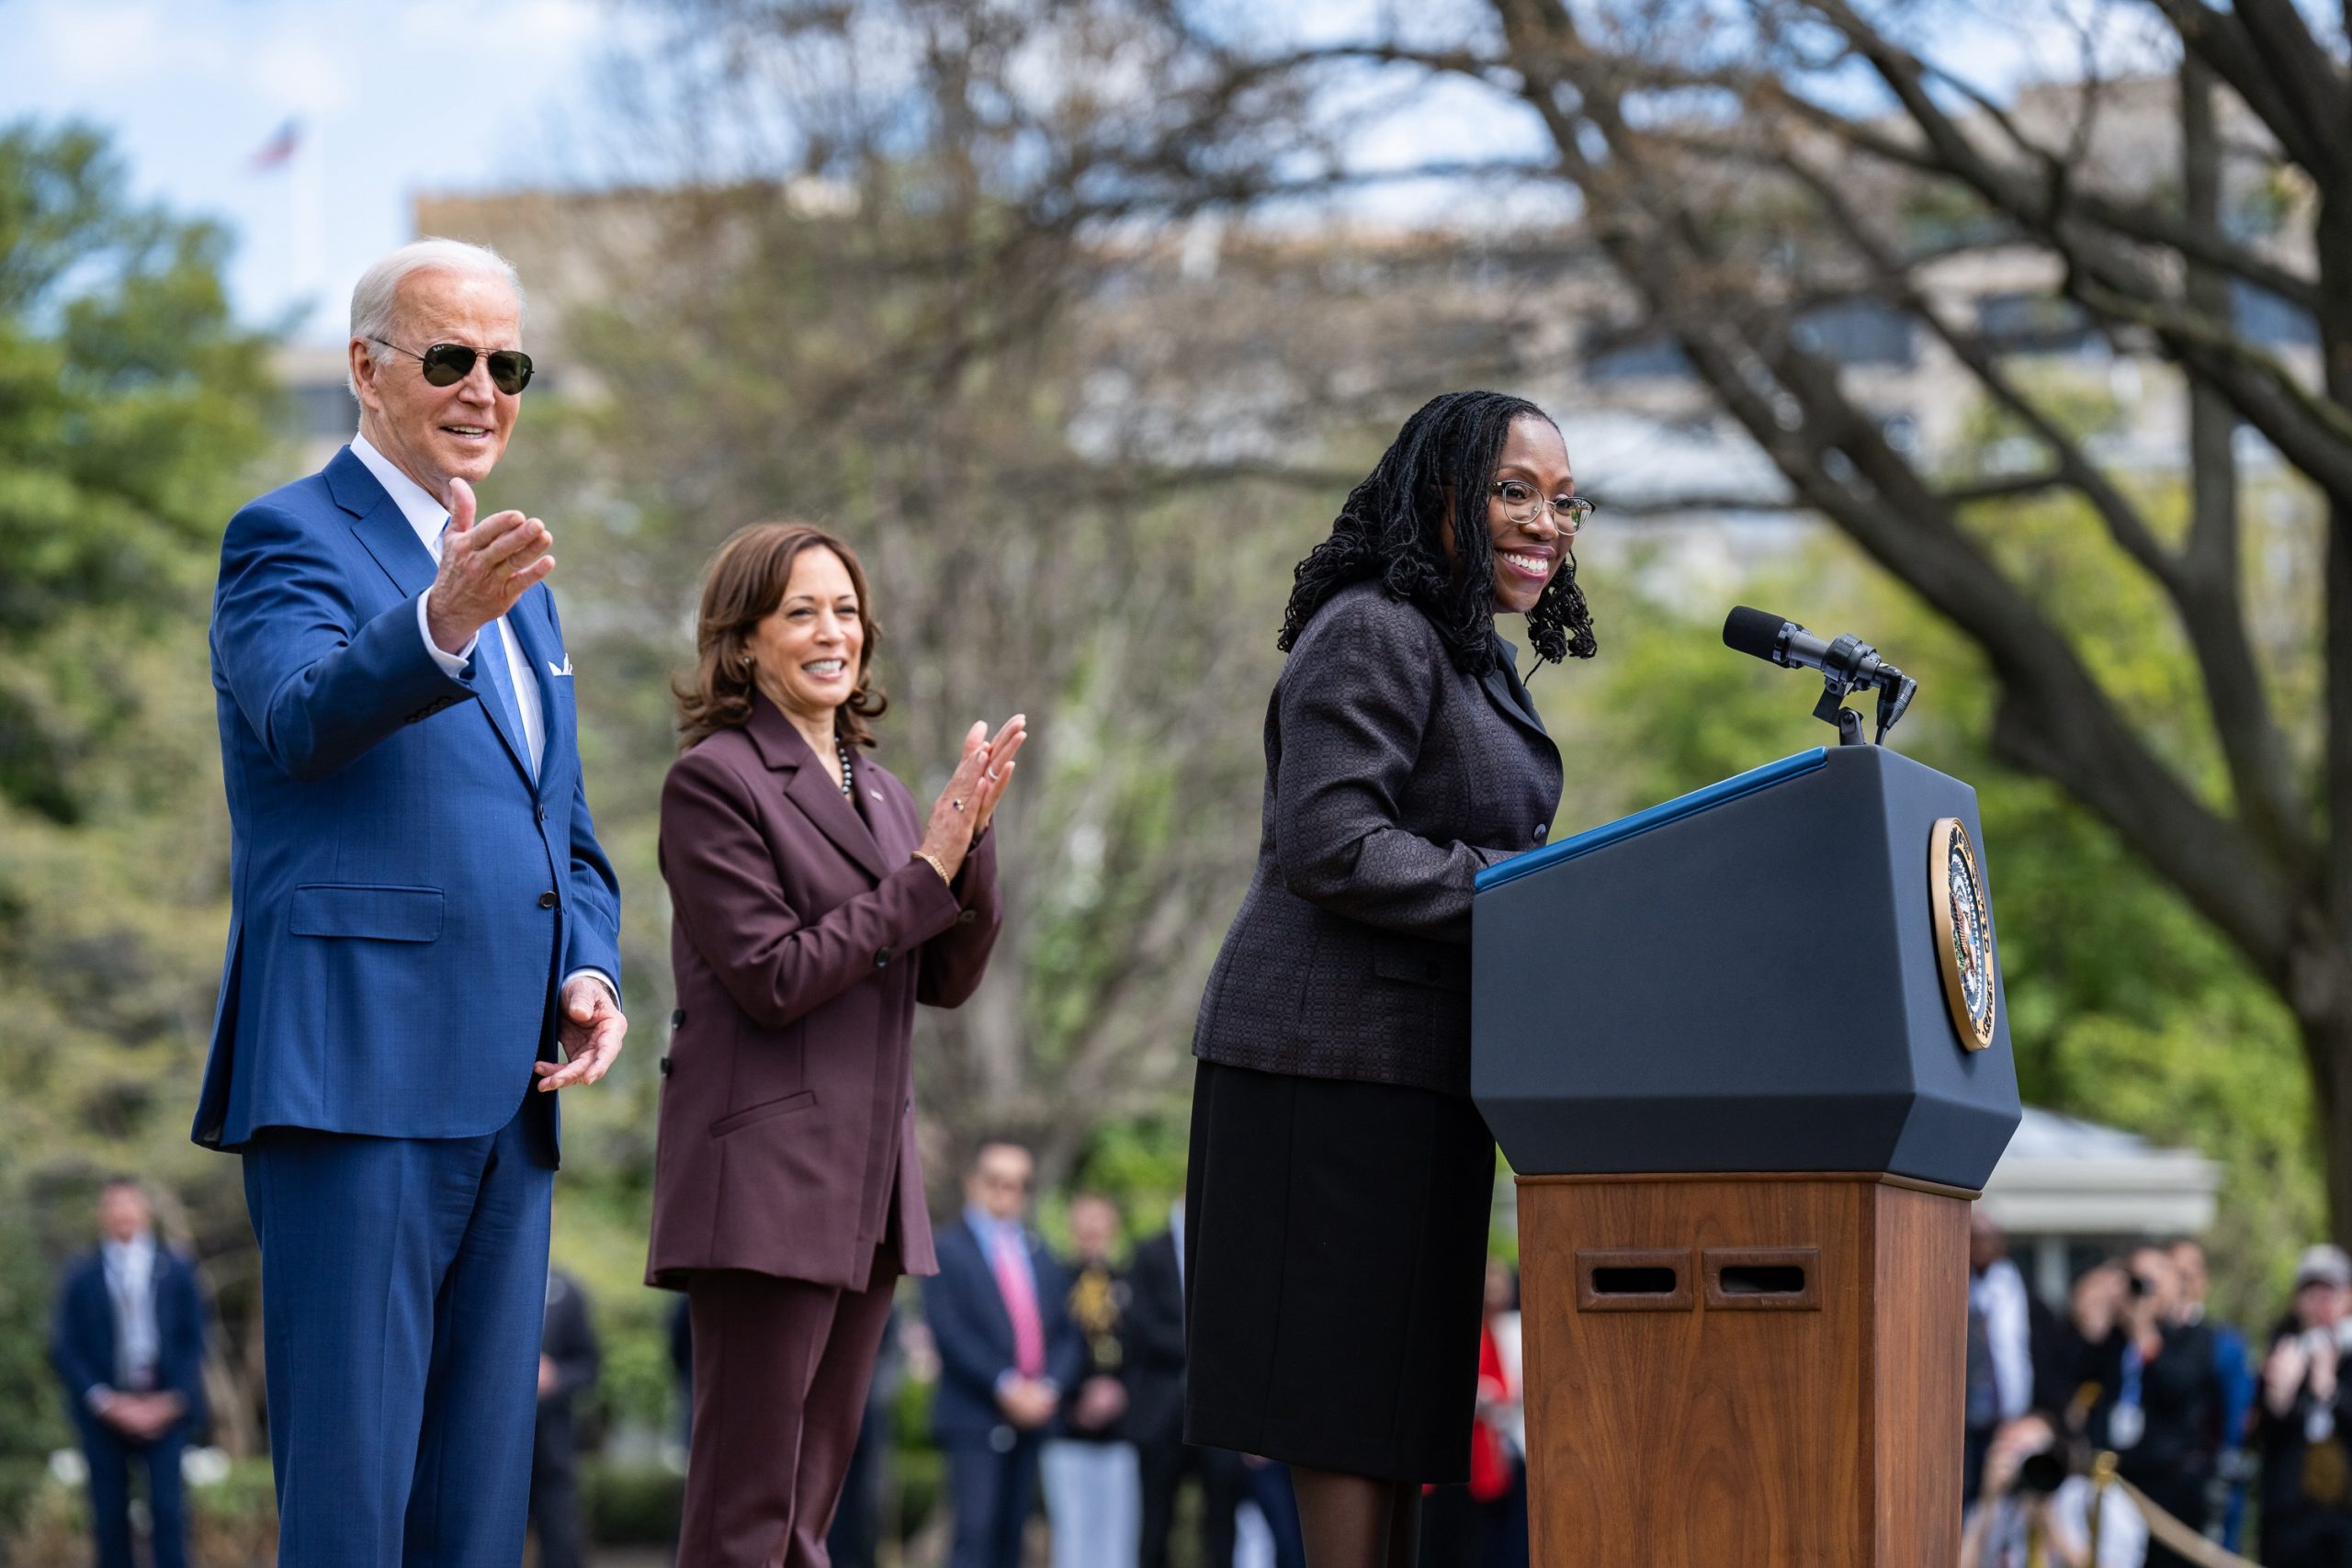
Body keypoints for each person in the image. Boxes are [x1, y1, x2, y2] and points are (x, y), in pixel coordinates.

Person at [198, 238, 626, 1565]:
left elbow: (565, 830)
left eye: (509, 365)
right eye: (450, 357)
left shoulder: (516, 585)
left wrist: (592, 967)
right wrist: (437, 623)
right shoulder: (288, 537)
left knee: (475, 1517)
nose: (483, 389)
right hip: (355, 1079)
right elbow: (302, 716)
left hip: (511, 1093)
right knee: (352, 1508)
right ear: (365, 369)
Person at [1184, 390, 1581, 1568]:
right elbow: (1331, 844)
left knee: (1401, 1430)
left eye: (1565, 501)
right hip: (1322, 1068)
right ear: (1444, 494)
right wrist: (1525, 891)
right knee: (1345, 1417)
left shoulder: (1472, 656)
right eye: (1516, 490)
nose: (1546, 522)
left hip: (1422, 1076)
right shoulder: (1374, 628)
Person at [645, 521, 1017, 1567]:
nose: (831, 631)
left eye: (845, 610)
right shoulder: (715, 782)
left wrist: (967, 840)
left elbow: (942, 976)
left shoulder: (887, 790)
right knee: (745, 1512)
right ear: (745, 639)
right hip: (763, 1180)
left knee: (808, 1515)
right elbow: (773, 977)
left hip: (865, 1185)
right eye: (801, 610)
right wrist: (923, 873)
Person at [924, 1139, 1086, 1568]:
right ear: (974, 1183)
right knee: (975, 1534)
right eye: (997, 1181)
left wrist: (1048, 1387)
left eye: (1019, 1184)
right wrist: (1007, 1386)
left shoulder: (1041, 1252)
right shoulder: (947, 1250)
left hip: (1035, 1416)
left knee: (1015, 1538)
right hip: (976, 1416)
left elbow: (1068, 1332)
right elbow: (950, 1332)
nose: (1007, 1192)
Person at [49, 1179, 208, 1568]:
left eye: (129, 1205)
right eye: (114, 1206)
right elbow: (65, 1347)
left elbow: (197, 1339)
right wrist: (106, 1401)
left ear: (145, 1211)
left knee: (169, 1512)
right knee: (108, 1518)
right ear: (102, 1215)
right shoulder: (80, 1275)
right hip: (105, 1413)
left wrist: (171, 1401)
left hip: (166, 1409)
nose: (123, 1214)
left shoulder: (177, 1268)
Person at [2087, 1247, 2224, 1568]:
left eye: (2154, 1279)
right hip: (2122, 1479)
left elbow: (2176, 1387)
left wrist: (2143, 1333)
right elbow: (2083, 1380)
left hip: (2173, 1485)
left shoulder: (2195, 1337)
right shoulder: (2115, 1340)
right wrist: (2101, 1311)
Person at [1128, 1201, 1241, 1568]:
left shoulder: (1228, 1250)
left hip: (1218, 1412)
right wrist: (1204, 1348)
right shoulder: (1148, 1253)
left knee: (1222, 1519)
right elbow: (1141, 1327)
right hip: (1161, 1413)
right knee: (1155, 1521)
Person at [1042, 1193, 1141, 1568]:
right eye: (1085, 1223)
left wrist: (1120, 1392)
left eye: (1100, 1223)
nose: (1092, 1232)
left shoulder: (1129, 1282)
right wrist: (1073, 1395)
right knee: (1073, 1534)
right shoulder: (1054, 1281)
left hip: (1120, 1432)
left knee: (1119, 1536)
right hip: (1067, 1428)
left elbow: (1141, 1346)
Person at [2258, 1246, 2352, 1568]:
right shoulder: (2283, 1350)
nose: (2321, 1301)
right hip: (2290, 1513)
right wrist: (2278, 1397)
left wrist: (2328, 1388)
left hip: (2343, 1512)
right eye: (2311, 1290)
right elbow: (2261, 1435)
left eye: (2330, 1290)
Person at [1958, 1411, 2146, 1568]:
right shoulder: (2000, 1509)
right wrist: (1988, 1500)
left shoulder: (2093, 1498)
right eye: (2009, 1450)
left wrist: (2051, 1524)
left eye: (2030, 1452)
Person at [2168, 1239, 2256, 1551]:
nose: (2180, 1285)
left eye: (2188, 1276)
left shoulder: (2224, 1345)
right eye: (2173, 1274)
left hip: (2204, 1488)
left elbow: (2236, 1423)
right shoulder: (2143, 1339)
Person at [1967, 1213, 2055, 1501]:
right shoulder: (1954, 1288)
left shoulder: (2021, 1293)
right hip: (1963, 1424)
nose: (1982, 1246)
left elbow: (2042, 1356)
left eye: (1988, 1238)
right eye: (1975, 1238)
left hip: (2012, 1419)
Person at [530, 1267, 601, 1568]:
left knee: (561, 1537)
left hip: (553, 1446)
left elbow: (590, 1365)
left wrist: (556, 1378)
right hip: (493, 1445)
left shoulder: (567, 1289)